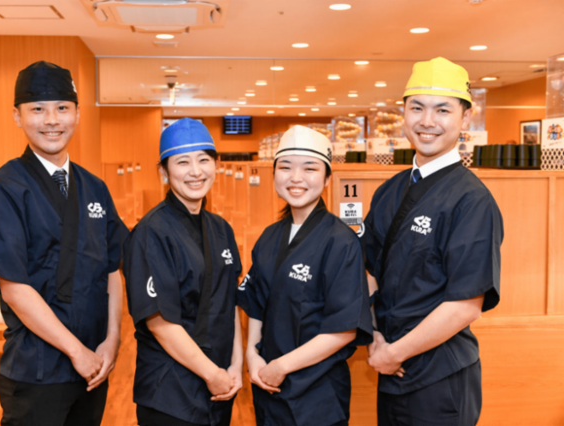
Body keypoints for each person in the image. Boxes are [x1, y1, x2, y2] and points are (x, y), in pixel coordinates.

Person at [0, 61, 127, 426]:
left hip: (93, 367)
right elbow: (13, 288)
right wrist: (77, 352)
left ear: (77, 114)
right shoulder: (4, 188)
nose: (52, 120)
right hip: (37, 370)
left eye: (62, 107)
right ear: (18, 116)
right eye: (38, 109)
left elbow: (112, 269)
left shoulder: (95, 188)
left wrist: (112, 339)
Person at [362, 57, 504, 426]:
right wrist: (373, 334)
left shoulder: (472, 200)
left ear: (465, 118)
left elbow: (466, 305)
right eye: (417, 108)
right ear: (403, 113)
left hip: (439, 378)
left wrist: (395, 352)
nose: (427, 121)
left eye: (442, 110)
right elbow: (369, 270)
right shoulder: (389, 190)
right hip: (389, 364)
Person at [237, 125, 373, 426]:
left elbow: (344, 329)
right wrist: (252, 356)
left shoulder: (341, 241)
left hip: (317, 394)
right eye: (285, 167)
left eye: (309, 168)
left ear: (327, 179)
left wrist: (281, 366)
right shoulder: (269, 237)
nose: (296, 178)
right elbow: (255, 304)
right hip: (268, 385)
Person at [123, 118, 243, 426]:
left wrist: (236, 365)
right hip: (171, 390)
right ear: (164, 172)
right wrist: (212, 374)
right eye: (183, 162)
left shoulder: (222, 229)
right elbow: (159, 322)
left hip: (220, 386)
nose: (196, 171)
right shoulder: (150, 232)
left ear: (216, 165)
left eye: (204, 160)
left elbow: (229, 303)